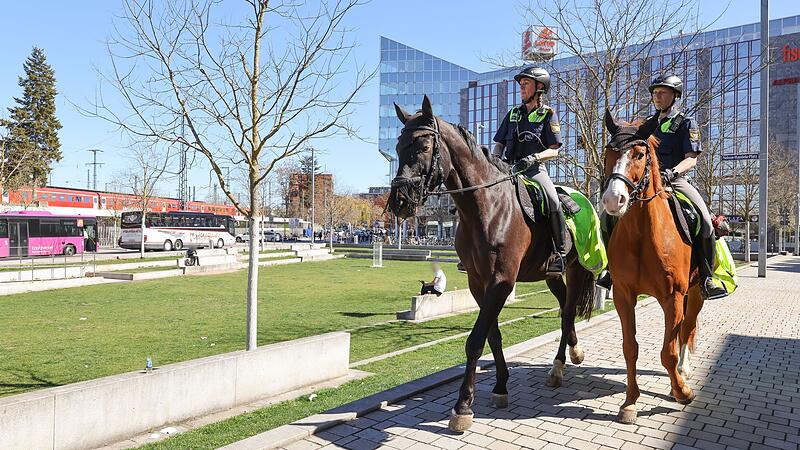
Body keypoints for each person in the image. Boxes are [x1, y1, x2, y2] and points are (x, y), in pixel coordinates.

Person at [597, 74, 727, 300]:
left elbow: (692, 158)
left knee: (704, 220)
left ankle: (707, 277)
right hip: (644, 184)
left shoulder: (686, 123)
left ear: (675, 96)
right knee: (606, 218)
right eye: (655, 92)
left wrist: (673, 172)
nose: (657, 96)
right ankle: (610, 269)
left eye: (662, 92)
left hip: (675, 181)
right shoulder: (646, 125)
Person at [493, 66, 566, 275]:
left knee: (553, 199)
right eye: (521, 85)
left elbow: (554, 150)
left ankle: (559, 253)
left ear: (539, 87)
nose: (522, 88)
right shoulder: (513, 114)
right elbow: (499, 143)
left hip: (534, 170)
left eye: (526, 84)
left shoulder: (548, 115)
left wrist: (534, 157)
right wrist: (495, 159)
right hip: (508, 169)